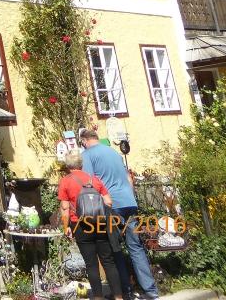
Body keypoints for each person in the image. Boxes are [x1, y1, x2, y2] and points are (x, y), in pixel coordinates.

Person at [80, 127, 160, 300]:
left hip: (111, 205)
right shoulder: (114, 153)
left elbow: (89, 183)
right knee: (136, 247)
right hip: (129, 202)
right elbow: (129, 178)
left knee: (114, 249)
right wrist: (130, 197)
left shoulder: (87, 155)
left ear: (84, 141)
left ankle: (125, 290)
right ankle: (151, 291)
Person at [58, 149, 125, 300]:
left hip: (80, 224)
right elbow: (108, 201)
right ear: (81, 164)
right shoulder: (94, 179)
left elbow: (65, 207)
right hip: (100, 224)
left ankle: (98, 297)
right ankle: (119, 297)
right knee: (108, 262)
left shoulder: (65, 181)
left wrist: (66, 227)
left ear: (68, 166)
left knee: (91, 264)